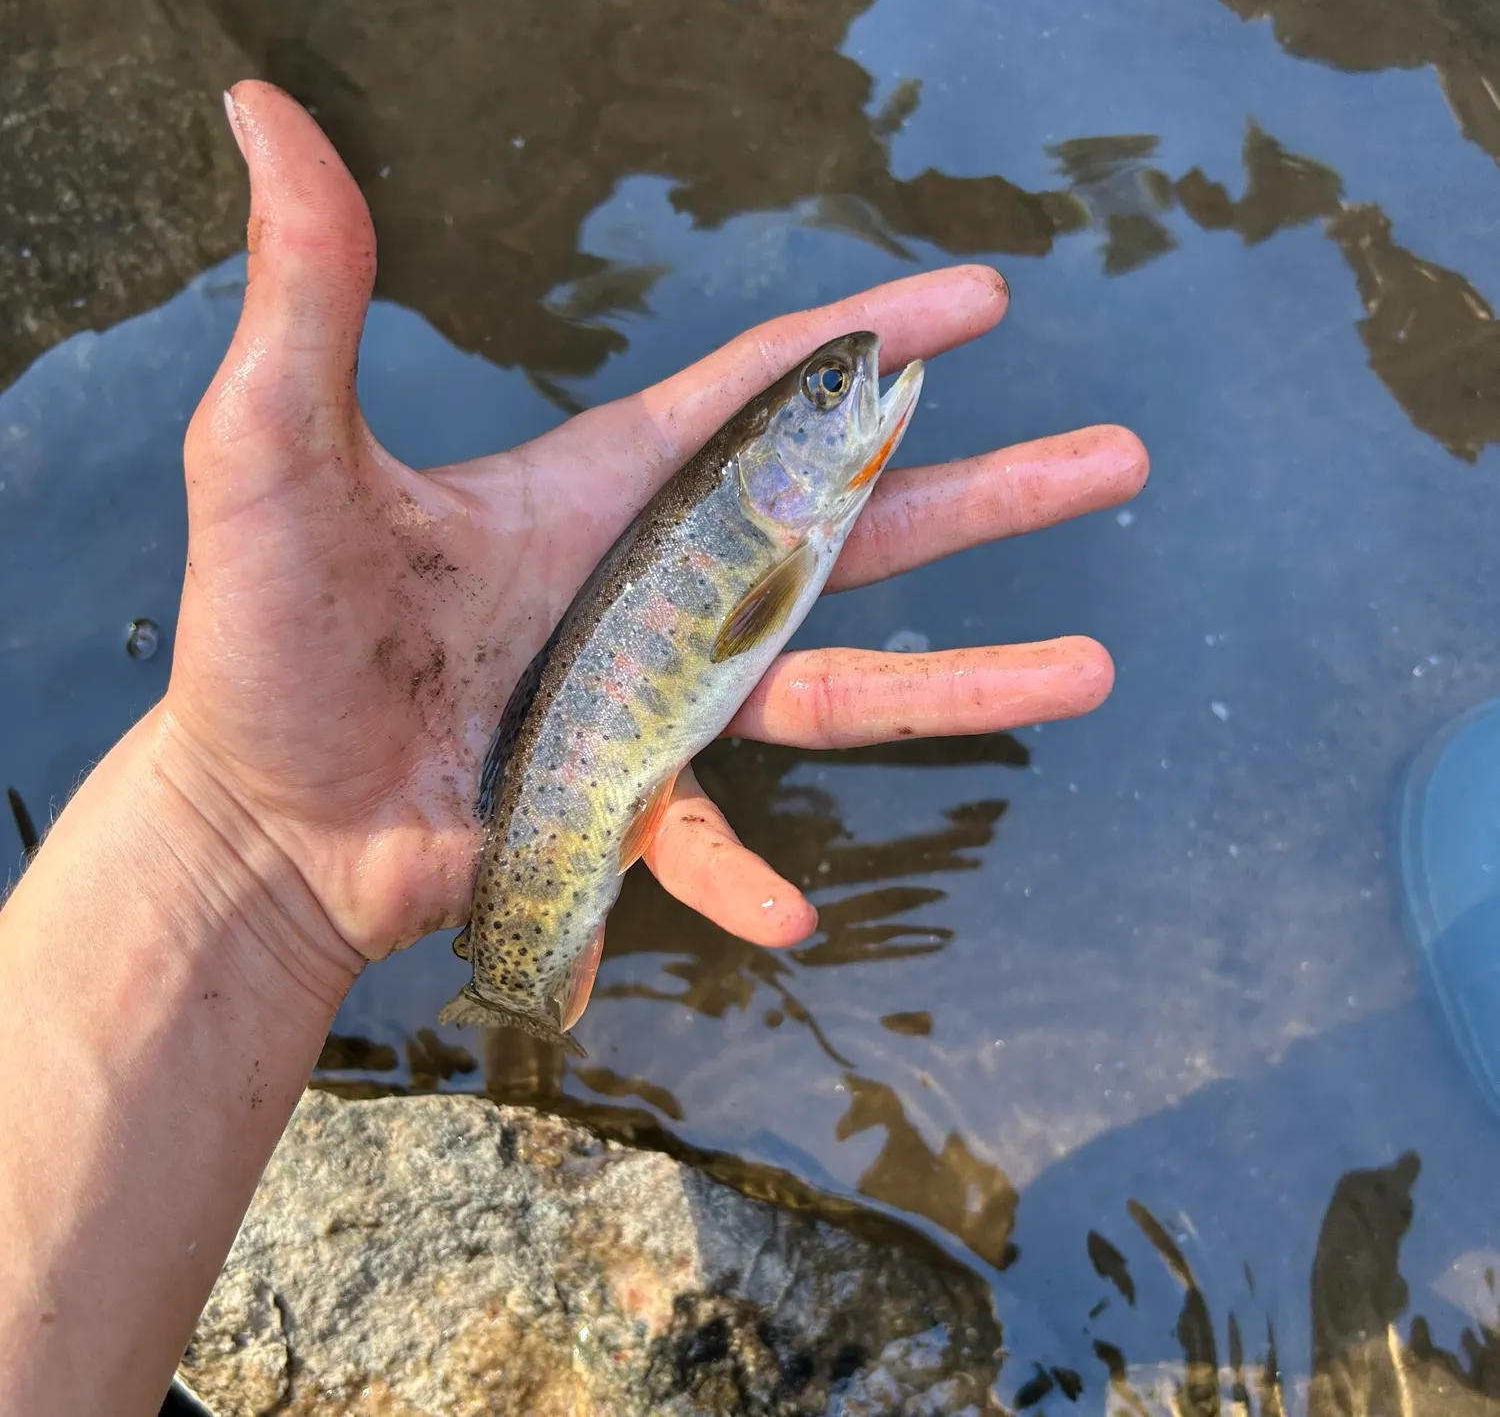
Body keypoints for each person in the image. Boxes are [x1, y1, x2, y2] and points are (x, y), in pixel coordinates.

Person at [0, 82, 1149, 1415]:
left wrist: (244, 847)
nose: (855, 398)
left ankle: (518, 1003)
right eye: (828, 397)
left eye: (835, 390)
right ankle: (519, 1000)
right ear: (774, 467)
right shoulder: (769, 535)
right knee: (557, 917)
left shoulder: (780, 511)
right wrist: (242, 828)